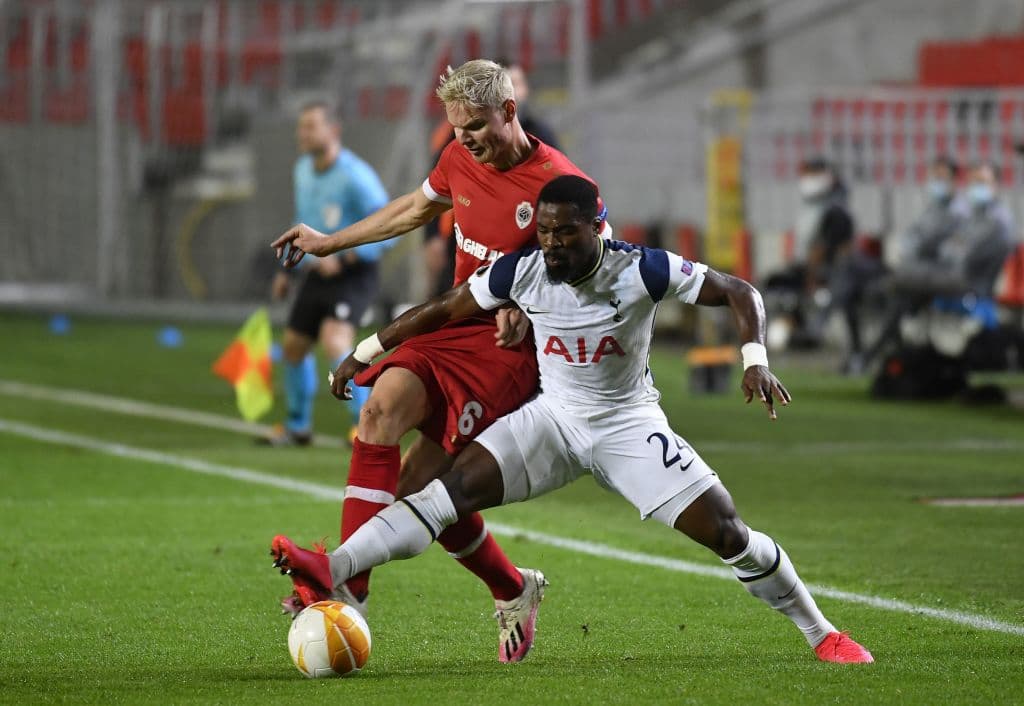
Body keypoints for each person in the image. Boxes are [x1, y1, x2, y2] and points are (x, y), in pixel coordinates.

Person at [272, 175, 873, 665]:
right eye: (544, 230)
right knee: (441, 494)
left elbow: (740, 291)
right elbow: (439, 310)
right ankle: (337, 568)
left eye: (565, 232)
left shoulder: (642, 269)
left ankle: (822, 634)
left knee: (728, 533)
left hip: (627, 427)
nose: (552, 243)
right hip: (553, 423)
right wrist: (366, 352)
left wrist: (754, 359)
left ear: (597, 227)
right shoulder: (524, 270)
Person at [270, 60, 609, 661]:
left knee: (422, 489)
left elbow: (598, 274)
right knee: (377, 413)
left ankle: (511, 587)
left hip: (507, 354)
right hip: (452, 321)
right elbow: (411, 210)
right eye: (456, 128)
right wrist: (328, 241)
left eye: (476, 125)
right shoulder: (458, 158)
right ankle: (349, 590)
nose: (466, 140)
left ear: (509, 112)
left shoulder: (558, 186)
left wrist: (530, 311)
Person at [263, 100, 391, 446]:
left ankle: (364, 428)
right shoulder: (303, 169)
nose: (300, 133)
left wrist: (346, 257)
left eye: (310, 126)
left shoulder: (356, 176)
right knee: (292, 347)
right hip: (318, 272)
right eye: (301, 126)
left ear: (333, 131)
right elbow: (302, 221)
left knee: (336, 342)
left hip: (354, 273)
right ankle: (298, 426)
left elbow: (388, 228)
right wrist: (286, 271)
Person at [865, 160, 1016, 364]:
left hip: (969, 284)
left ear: (996, 185)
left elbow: (959, 254)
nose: (975, 188)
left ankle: (883, 345)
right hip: (952, 276)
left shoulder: (995, 222)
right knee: (904, 294)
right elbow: (945, 247)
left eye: (982, 182)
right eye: (973, 183)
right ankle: (890, 344)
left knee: (901, 284)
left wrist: (952, 247)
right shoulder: (971, 216)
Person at [764, 157, 854, 350]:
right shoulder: (811, 207)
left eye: (812, 174)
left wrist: (811, 278)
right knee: (772, 283)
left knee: (781, 286)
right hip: (807, 267)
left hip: (825, 272)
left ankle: (807, 333)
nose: (807, 180)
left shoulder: (835, 210)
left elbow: (822, 249)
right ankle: (792, 327)